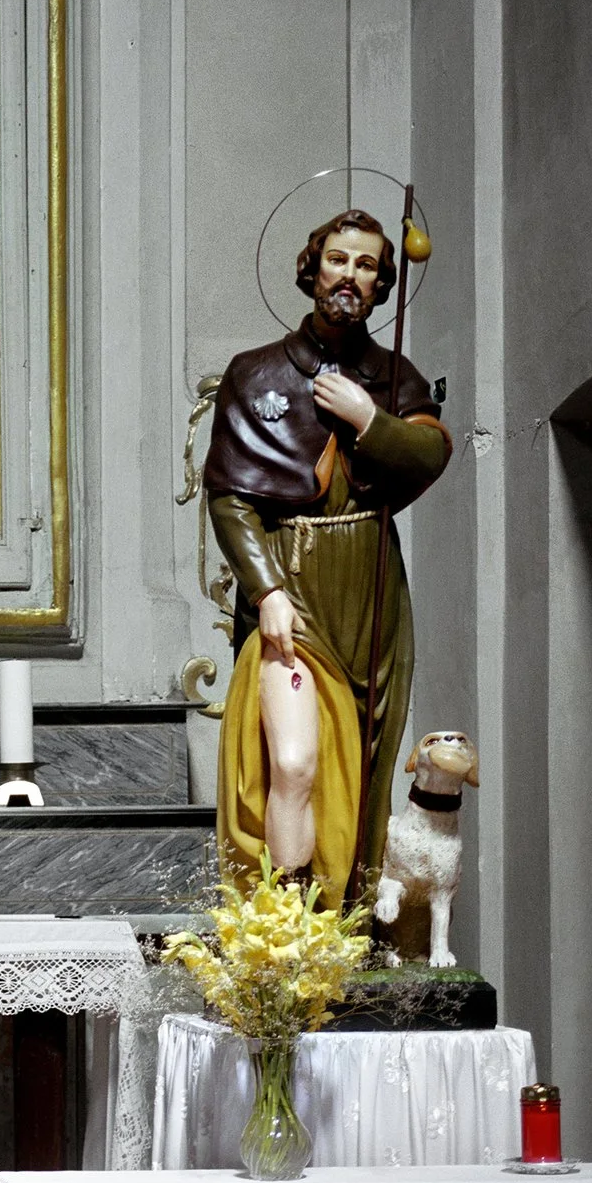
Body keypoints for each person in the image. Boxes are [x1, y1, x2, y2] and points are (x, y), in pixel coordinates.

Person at [200, 208, 451, 907]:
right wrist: (267, 591)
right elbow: (228, 498)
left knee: (365, 767)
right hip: (293, 584)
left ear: (381, 284)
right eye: (339, 259)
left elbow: (430, 451)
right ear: (314, 269)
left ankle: (342, 922)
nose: (351, 275)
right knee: (295, 761)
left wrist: (369, 419)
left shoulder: (393, 376)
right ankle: (285, 926)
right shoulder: (255, 373)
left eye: (368, 265)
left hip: (367, 592)